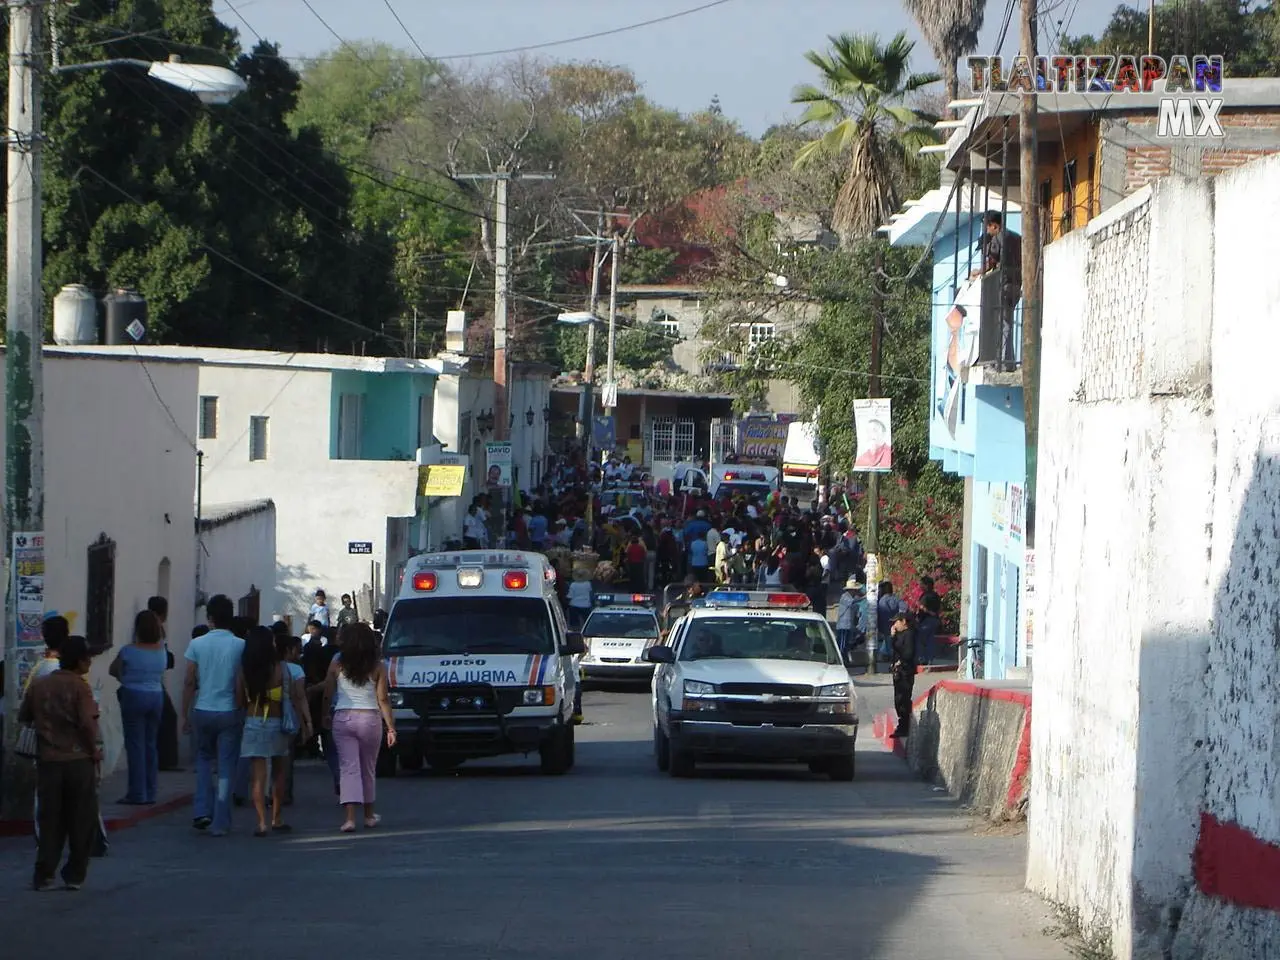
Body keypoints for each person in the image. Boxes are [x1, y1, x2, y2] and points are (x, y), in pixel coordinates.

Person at [19, 636, 101, 891]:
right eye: (87, 657)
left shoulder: (40, 684)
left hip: (49, 760)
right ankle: (75, 873)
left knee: (50, 819)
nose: (89, 662)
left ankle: (44, 873)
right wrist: (94, 750)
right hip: (77, 761)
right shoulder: (80, 687)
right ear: (79, 660)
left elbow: (25, 716)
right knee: (81, 819)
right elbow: (88, 723)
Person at [237, 626, 310, 836]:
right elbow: (293, 696)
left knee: (258, 776)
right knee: (279, 772)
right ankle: (277, 818)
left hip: (253, 720)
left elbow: (239, 699)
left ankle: (261, 822)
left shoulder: (245, 668)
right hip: (277, 723)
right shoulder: (280, 668)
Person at [323, 622, 396, 832]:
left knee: (348, 768)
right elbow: (382, 698)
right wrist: (391, 727)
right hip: (370, 719)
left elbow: (328, 692)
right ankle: (369, 815)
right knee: (368, 768)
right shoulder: (378, 666)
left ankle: (349, 818)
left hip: (343, 718)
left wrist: (324, 715)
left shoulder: (337, 664)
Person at [182, 594, 245, 836]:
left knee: (203, 761)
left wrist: (184, 714)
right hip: (229, 709)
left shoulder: (197, 644)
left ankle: (201, 811)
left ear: (210, 618)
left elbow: (189, 681)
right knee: (227, 766)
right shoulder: (240, 645)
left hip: (202, 708)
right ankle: (221, 820)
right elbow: (240, 681)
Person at [109, 610, 167, 805]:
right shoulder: (162, 651)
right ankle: (151, 791)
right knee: (151, 744)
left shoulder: (128, 650)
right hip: (156, 696)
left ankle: (136, 792)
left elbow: (113, 669)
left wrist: (124, 678)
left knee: (135, 745)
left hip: (133, 695)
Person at [970, 211, 1022, 371]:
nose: (987, 230)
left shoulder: (998, 239)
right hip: (1016, 284)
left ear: (995, 225)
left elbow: (992, 261)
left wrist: (979, 272)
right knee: (1008, 323)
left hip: (1003, 284)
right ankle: (1008, 361)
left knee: (1002, 324)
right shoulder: (1016, 238)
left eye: (988, 227)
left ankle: (1003, 362)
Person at [147, 597, 182, 772]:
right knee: (169, 717)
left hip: (151, 680)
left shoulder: (149, 626)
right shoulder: (156, 629)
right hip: (154, 682)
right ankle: (167, 760)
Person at [890, 612, 917, 738]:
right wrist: (893, 638)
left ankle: (904, 726)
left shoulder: (910, 635)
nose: (895, 625)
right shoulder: (900, 635)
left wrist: (901, 661)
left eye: (897, 622)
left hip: (906, 672)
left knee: (903, 699)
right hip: (899, 672)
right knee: (898, 699)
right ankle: (902, 724)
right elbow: (896, 650)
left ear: (904, 622)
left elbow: (907, 653)